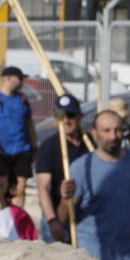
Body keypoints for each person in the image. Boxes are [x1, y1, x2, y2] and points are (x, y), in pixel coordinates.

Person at [61, 111, 130, 260]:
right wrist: (65, 198)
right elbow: (64, 217)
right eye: (107, 130)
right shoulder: (81, 167)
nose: (113, 136)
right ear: (94, 134)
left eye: (118, 130)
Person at [33, 94, 90, 244]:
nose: (66, 120)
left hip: (86, 216)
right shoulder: (48, 147)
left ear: (80, 116)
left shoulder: (90, 145)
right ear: (55, 119)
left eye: (70, 115)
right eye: (61, 115)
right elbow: (43, 187)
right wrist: (52, 221)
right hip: (57, 216)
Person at [0, 66, 37, 198]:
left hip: (22, 150)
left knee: (20, 187)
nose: (22, 82)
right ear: (7, 79)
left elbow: (29, 124)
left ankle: (17, 216)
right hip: (1, 151)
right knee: (3, 186)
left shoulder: (23, 100)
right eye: (19, 78)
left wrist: (34, 146)